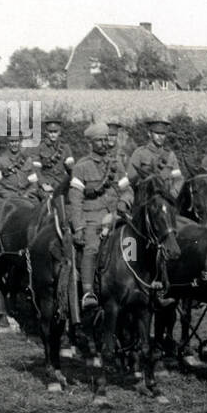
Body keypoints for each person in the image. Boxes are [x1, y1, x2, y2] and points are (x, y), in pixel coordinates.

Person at [68, 122, 130, 311]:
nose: (104, 143)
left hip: (116, 214)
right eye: (99, 140)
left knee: (132, 244)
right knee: (92, 248)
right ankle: (88, 292)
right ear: (91, 143)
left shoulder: (116, 164)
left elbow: (128, 191)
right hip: (92, 217)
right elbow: (75, 200)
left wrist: (121, 206)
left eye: (106, 139)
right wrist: (78, 227)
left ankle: (133, 283)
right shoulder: (82, 167)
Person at [128, 117, 185, 199]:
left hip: (166, 199)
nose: (160, 137)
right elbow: (130, 179)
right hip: (145, 199)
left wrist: (173, 193)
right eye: (157, 133)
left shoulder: (170, 155)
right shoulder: (139, 153)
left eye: (163, 134)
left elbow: (178, 179)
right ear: (149, 133)